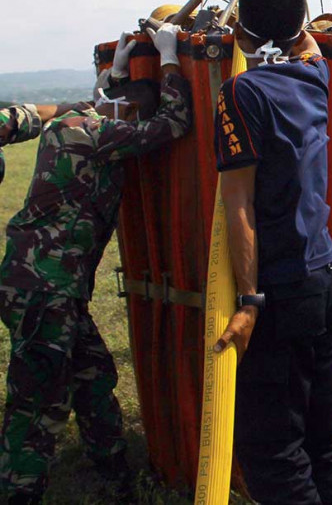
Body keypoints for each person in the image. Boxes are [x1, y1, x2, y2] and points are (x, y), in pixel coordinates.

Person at [0, 28, 192, 505]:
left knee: (92, 374)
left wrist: (117, 76)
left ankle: (112, 471)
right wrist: (170, 62)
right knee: (38, 399)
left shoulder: (78, 122)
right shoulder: (98, 132)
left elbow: (103, 106)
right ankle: (18, 490)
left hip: (47, 284)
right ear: (123, 112)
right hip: (46, 288)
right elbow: (174, 122)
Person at [212, 0, 332, 505]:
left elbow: (239, 204)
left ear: (242, 29)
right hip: (327, 279)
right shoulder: (316, 78)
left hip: (280, 290)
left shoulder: (240, 92)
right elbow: (310, 47)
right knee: (322, 438)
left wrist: (249, 302)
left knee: (272, 450)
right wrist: (299, 30)